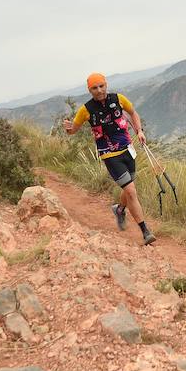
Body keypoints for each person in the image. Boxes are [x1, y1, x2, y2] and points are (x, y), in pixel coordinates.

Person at [63, 72, 156, 245]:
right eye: (94, 88)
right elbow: (73, 130)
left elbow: (133, 113)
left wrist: (139, 130)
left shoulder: (118, 98)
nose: (99, 90)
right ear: (89, 90)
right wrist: (68, 128)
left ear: (106, 84)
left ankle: (120, 209)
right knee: (131, 191)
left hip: (127, 150)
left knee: (129, 189)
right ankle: (145, 231)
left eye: (101, 86)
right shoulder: (86, 110)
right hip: (109, 154)